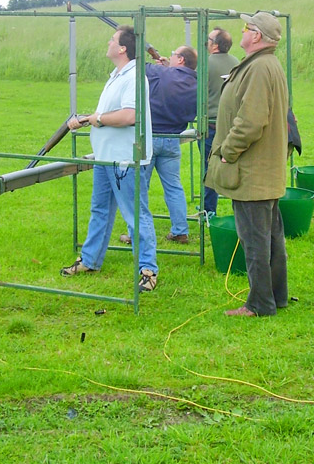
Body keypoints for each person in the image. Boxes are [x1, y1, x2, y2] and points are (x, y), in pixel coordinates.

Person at [60, 26, 159, 292]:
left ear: (123, 48)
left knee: (135, 214)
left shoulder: (134, 76)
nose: (108, 42)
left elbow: (130, 115)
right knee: (100, 210)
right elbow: (107, 114)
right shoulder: (117, 75)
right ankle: (90, 260)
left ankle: (148, 270)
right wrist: (88, 119)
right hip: (106, 158)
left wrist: (98, 119)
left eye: (113, 39)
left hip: (125, 159)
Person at [205, 12, 289, 317]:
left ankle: (259, 304)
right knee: (269, 239)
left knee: (255, 242)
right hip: (261, 170)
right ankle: (275, 297)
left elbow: (251, 121)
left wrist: (228, 151)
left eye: (246, 27)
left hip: (253, 171)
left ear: (256, 36)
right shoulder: (262, 64)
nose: (241, 32)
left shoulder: (260, 67)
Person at [119, 45, 198, 245]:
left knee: (139, 187)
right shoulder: (195, 81)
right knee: (174, 187)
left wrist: (163, 67)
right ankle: (180, 230)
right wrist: (167, 66)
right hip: (173, 139)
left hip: (150, 138)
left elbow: (139, 66)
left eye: (173, 54)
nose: (170, 56)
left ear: (181, 59)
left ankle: (136, 233)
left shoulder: (162, 74)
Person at [203, 28, 239, 215]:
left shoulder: (205, 64)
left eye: (208, 38)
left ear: (215, 44)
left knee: (209, 169)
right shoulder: (237, 63)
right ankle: (238, 208)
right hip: (233, 126)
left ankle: (209, 211)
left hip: (211, 125)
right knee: (233, 167)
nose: (206, 41)